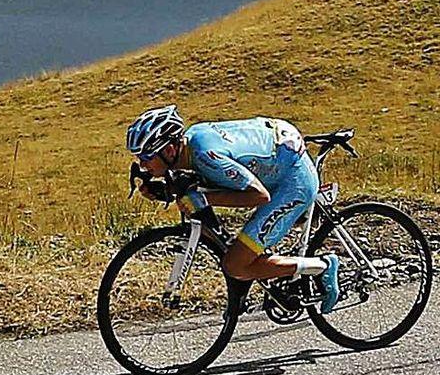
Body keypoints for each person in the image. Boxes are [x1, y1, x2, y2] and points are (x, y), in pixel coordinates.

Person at [125, 105, 341, 313]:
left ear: (170, 149)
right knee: (239, 251)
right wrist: (166, 189)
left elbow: (259, 196)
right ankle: (263, 267)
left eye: (146, 157)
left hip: (293, 181)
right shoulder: (192, 141)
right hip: (279, 151)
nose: (143, 165)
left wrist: (205, 199)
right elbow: (204, 178)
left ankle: (322, 265)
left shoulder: (206, 155)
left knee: (235, 265)